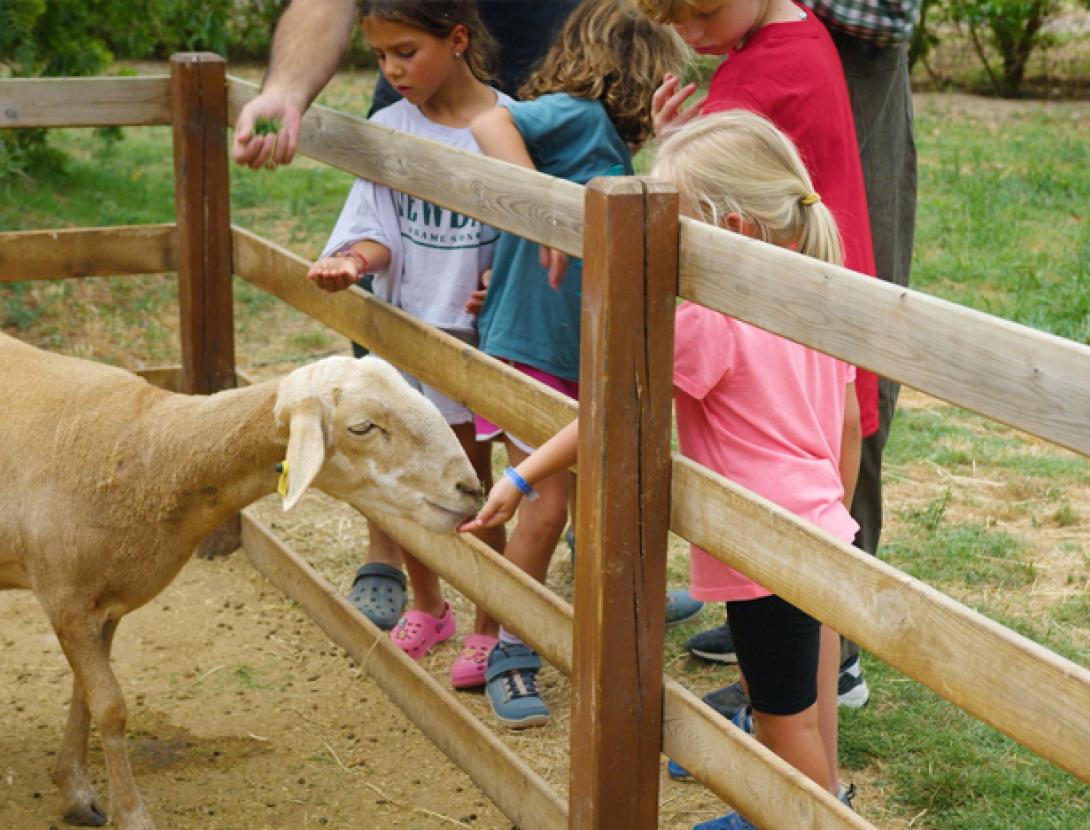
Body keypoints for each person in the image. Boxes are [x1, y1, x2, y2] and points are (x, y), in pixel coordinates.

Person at [463, 109, 862, 828]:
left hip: (763, 550)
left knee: (782, 724)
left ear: (732, 230)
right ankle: (811, 809)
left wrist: (521, 477)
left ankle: (804, 820)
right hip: (826, 529)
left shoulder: (709, 323)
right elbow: (847, 424)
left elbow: (609, 412)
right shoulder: (815, 297)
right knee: (814, 707)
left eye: (674, 225)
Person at [656, 0, 920, 714]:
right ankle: (816, 666)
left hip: (781, 321)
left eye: (703, 14)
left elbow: (631, 391)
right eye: (678, 23)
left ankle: (794, 685)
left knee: (789, 519)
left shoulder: (756, 83)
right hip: (827, 317)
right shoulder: (804, 30)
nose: (693, 36)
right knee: (834, 489)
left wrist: (680, 159)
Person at [464, 0, 688, 728]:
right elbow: (488, 123)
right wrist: (543, 212)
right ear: (637, 70)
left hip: (569, 353)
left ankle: (595, 611)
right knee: (547, 502)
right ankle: (500, 644)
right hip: (531, 347)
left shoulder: (614, 150)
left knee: (589, 498)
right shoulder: (577, 116)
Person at [308, 0, 508, 689]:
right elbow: (374, 226)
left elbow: (525, 225)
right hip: (401, 343)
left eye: (406, 52)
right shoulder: (388, 130)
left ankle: (491, 623)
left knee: (471, 492)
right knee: (409, 487)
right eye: (380, 57)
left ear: (457, 40)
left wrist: (497, 283)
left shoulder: (501, 128)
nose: (393, 70)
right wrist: (354, 264)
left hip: (471, 351)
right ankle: (429, 603)